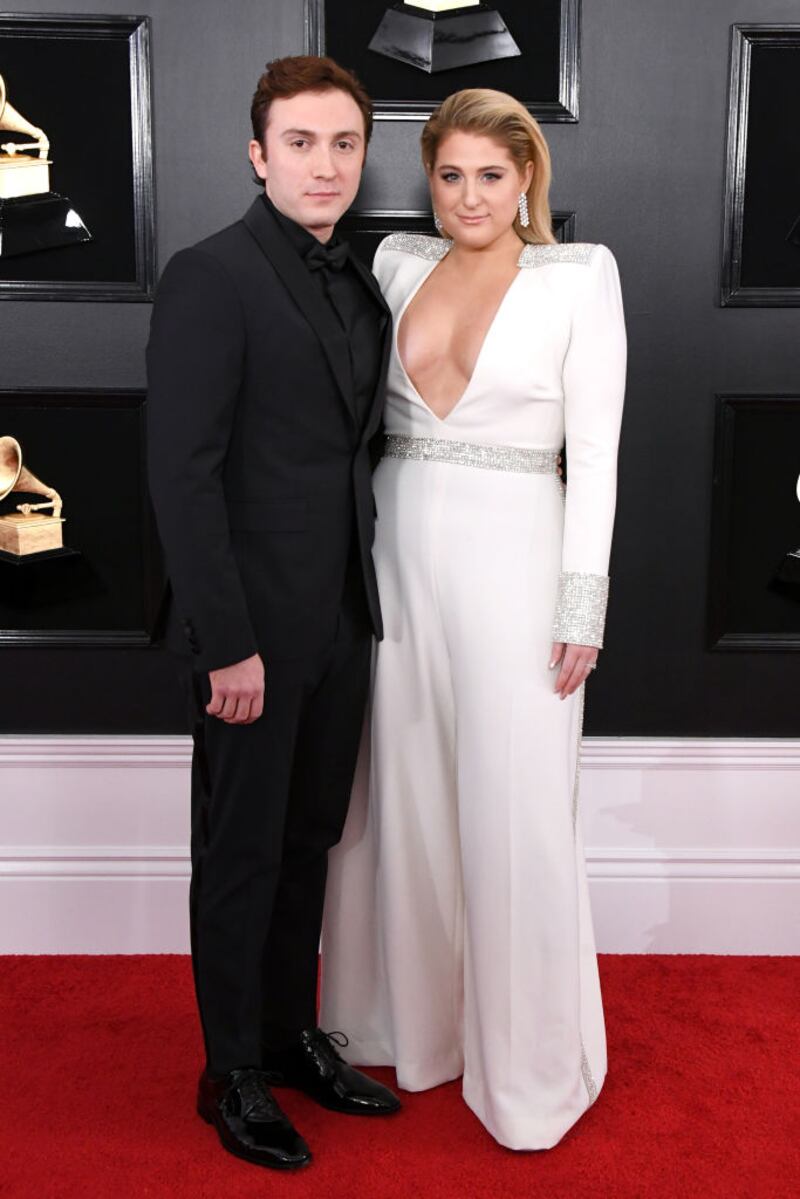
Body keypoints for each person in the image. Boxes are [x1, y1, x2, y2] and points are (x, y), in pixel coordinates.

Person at [321, 88, 627, 1151]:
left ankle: (530, 1066)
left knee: (514, 807)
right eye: (449, 175)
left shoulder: (578, 277)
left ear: (526, 176)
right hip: (397, 559)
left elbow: (595, 457)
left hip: (518, 562)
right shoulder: (397, 263)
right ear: (429, 179)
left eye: (490, 175)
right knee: (399, 796)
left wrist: (580, 602)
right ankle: (409, 1027)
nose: (469, 197)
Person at [146, 56, 400, 1172]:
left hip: (343, 617)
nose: (324, 164)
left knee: (309, 841)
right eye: (300, 143)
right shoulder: (210, 276)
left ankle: (291, 1037)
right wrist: (227, 641)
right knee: (242, 850)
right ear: (259, 155)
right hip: (250, 630)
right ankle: (231, 1070)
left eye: (343, 143)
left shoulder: (362, 283)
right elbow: (182, 475)